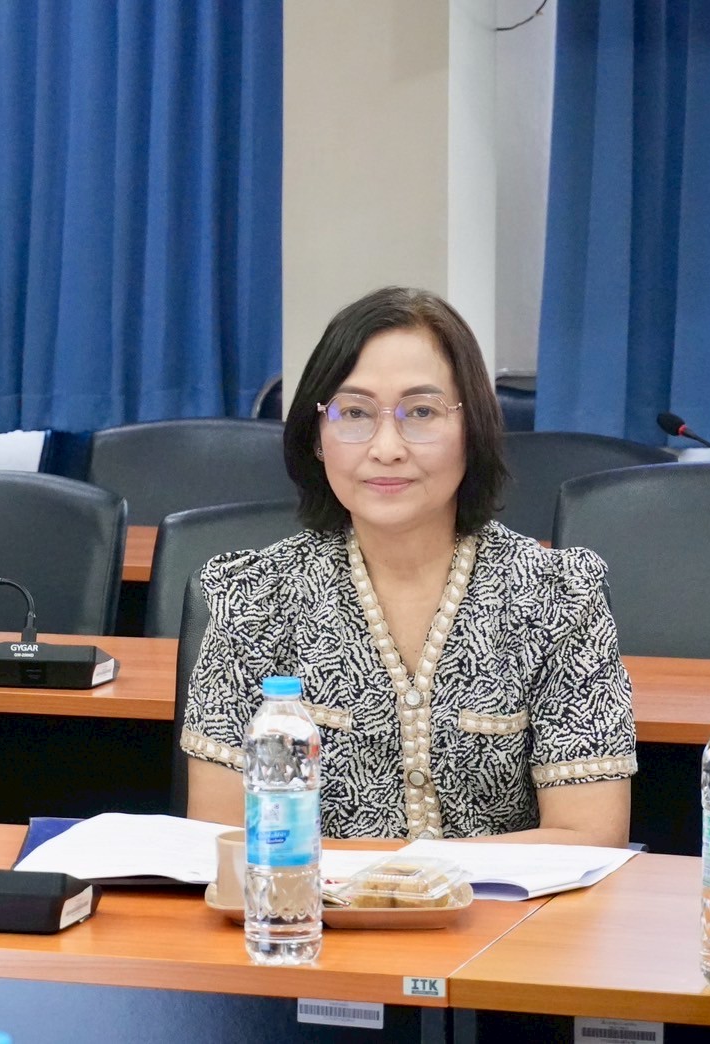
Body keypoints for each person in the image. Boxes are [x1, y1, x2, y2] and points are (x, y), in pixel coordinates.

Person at [182, 287, 636, 845]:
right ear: (317, 437)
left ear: (472, 430)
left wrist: (410, 876)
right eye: (354, 413)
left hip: (499, 906)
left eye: (421, 412)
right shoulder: (252, 599)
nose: (387, 447)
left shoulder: (558, 597)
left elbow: (590, 835)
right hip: (305, 903)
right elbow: (221, 838)